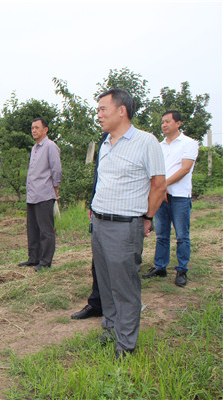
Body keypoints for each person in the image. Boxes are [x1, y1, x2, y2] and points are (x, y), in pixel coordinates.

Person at [91, 88, 166, 360]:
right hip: (100, 223)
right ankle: (110, 328)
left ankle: (125, 344)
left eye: (102, 109)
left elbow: (159, 185)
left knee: (125, 287)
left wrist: (146, 218)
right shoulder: (105, 142)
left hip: (125, 226)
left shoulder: (147, 142)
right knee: (106, 282)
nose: (98, 114)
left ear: (121, 110)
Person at [142, 111, 198, 287]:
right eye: (162, 122)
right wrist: (159, 189)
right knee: (162, 234)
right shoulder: (159, 146)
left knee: (182, 235)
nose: (164, 125)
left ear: (178, 123)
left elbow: (185, 169)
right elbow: (155, 170)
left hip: (180, 195)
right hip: (162, 197)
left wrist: (163, 185)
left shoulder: (189, 143)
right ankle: (160, 266)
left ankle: (182, 269)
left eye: (167, 121)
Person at [71, 132, 108, 320]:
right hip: (100, 212)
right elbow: (98, 178)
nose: (100, 116)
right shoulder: (106, 139)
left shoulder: (138, 142)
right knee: (98, 263)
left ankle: (119, 311)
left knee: (120, 267)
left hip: (124, 216)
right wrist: (92, 204)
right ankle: (97, 304)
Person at [18, 118, 62, 271]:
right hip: (32, 194)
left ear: (46, 129)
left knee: (46, 230)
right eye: (32, 128)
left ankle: (45, 261)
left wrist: (55, 187)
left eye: (37, 127)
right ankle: (33, 258)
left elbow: (56, 169)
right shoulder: (35, 148)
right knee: (33, 228)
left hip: (44, 193)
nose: (34, 130)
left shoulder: (50, 146)